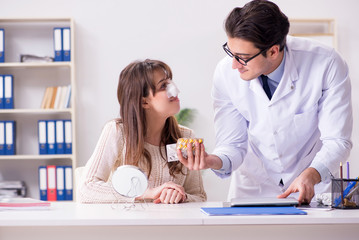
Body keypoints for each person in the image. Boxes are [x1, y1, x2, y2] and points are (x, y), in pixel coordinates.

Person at [178, 0, 352, 204]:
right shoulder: (225, 73)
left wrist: (312, 174)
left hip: (312, 184)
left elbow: (338, 141)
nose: (234, 65)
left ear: (273, 51)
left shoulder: (326, 63)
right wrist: (212, 161)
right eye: (231, 52)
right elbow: (232, 144)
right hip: (254, 188)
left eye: (242, 57)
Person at [77, 59, 207, 204]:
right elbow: (86, 190)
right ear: (144, 102)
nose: (175, 90)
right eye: (164, 86)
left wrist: (181, 196)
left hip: (170, 224)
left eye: (170, 82)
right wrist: (146, 193)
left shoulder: (185, 136)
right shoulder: (117, 132)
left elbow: (199, 197)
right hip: (131, 224)